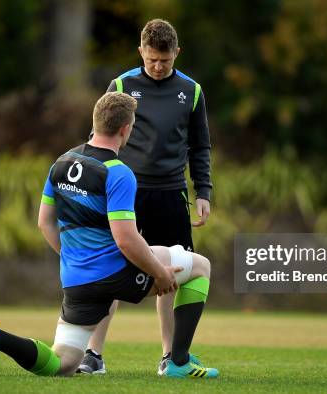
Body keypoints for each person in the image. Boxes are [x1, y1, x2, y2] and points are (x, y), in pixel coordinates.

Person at [0, 92, 218, 379]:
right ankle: (177, 362)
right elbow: (125, 239)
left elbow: (45, 223)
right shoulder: (118, 172)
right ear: (125, 129)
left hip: (78, 279)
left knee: (63, 364)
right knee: (200, 267)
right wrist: (159, 273)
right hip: (116, 272)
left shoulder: (61, 163)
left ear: (95, 123)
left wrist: (78, 258)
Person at [80, 18, 213, 376]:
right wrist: (95, 188)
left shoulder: (192, 90)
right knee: (110, 269)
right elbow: (98, 139)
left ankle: (170, 356)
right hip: (125, 194)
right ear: (141, 51)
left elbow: (200, 146)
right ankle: (93, 354)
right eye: (152, 59)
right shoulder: (121, 85)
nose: (158, 67)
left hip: (172, 194)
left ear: (176, 54)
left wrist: (203, 191)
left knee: (174, 273)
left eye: (165, 61)